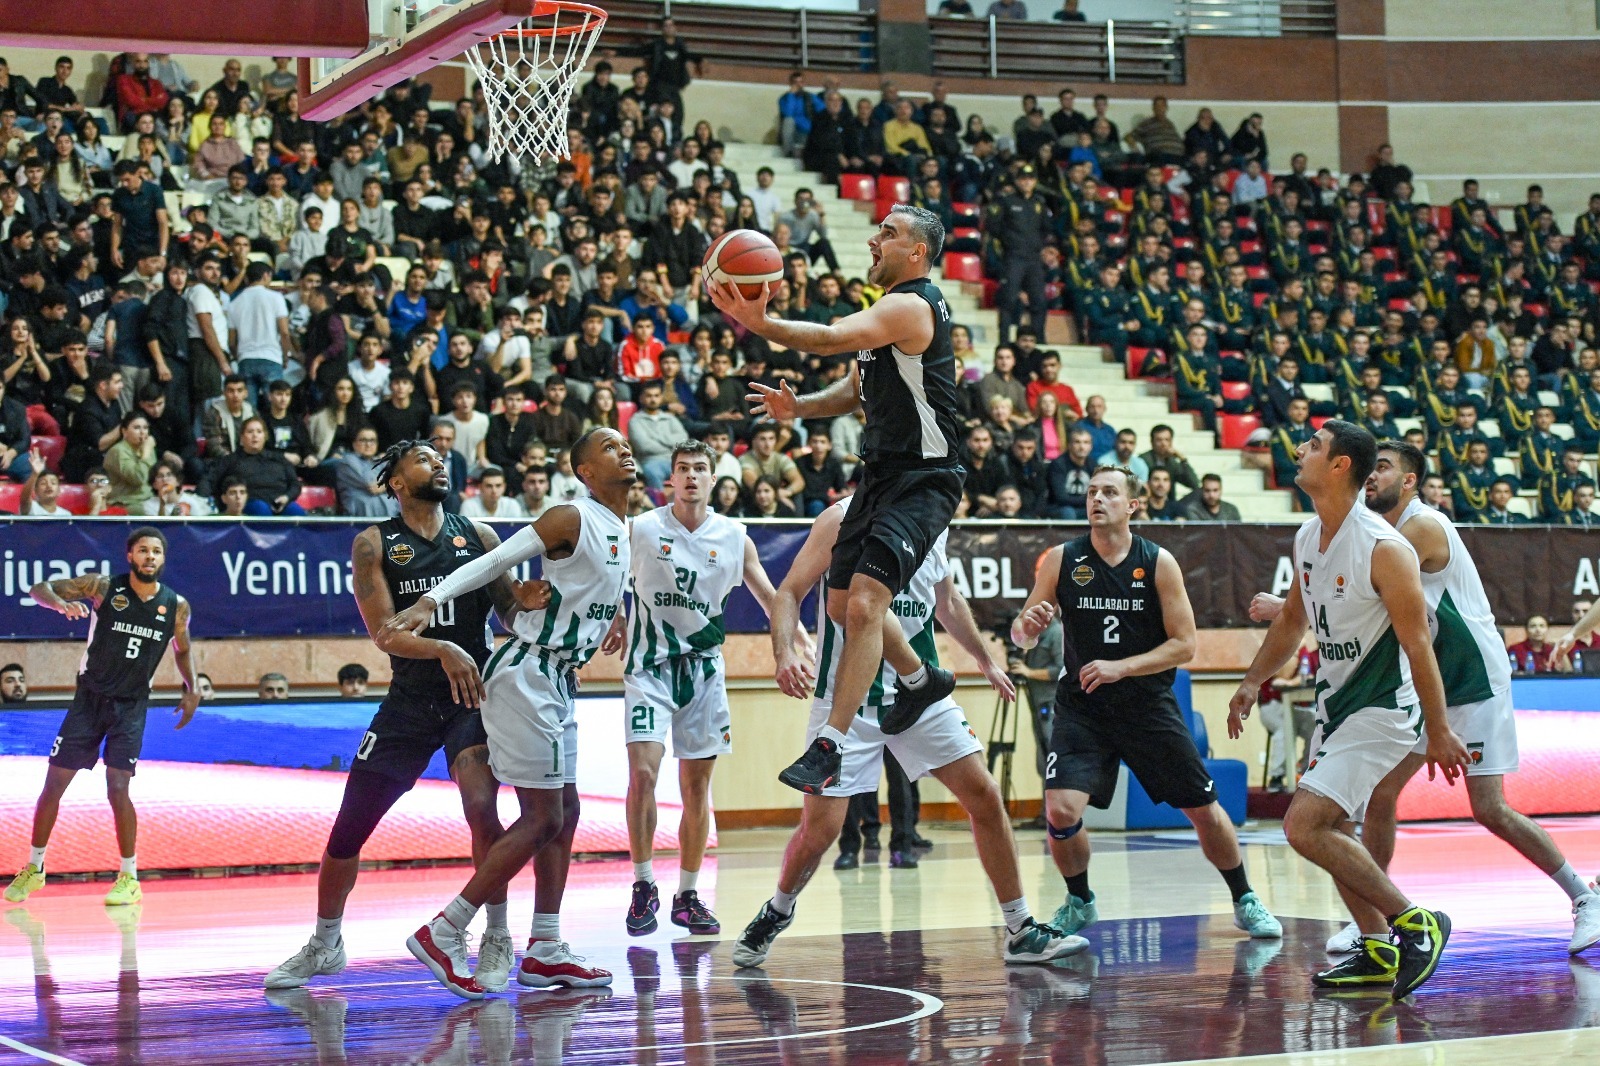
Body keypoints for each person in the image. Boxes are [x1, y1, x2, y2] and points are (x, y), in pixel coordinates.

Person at [1250, 440, 1600, 965]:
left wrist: (1288, 605)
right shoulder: (1360, 532)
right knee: (1382, 794)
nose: (1374, 477)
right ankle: (1379, 910)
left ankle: (1583, 896)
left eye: (1385, 469)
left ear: (1410, 482)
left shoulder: (1416, 528)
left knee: (1489, 808)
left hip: (1471, 677)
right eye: (1372, 468)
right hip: (1424, 680)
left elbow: (1357, 590)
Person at [731, 492, 1087, 969]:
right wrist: (784, 653)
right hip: (848, 703)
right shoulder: (840, 519)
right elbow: (790, 591)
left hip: (920, 693)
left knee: (984, 795)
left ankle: (1020, 927)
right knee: (821, 831)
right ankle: (777, 909)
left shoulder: (931, 515)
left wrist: (984, 659)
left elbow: (948, 601)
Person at [710, 204, 963, 795]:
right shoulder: (887, 317)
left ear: (917, 253)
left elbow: (828, 338)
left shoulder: (911, 304)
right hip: (880, 474)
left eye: (889, 234)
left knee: (869, 602)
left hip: (925, 477)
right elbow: (855, 389)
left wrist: (762, 322)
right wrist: (799, 408)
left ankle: (832, 743)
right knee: (845, 603)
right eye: (877, 230)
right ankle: (920, 678)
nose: (875, 240)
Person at [265, 439, 524, 991]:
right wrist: (441, 649)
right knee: (349, 829)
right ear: (398, 482)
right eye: (423, 459)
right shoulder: (373, 544)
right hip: (409, 702)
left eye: (440, 457)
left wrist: (540, 600)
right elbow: (385, 633)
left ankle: (497, 936)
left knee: (482, 810)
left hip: (471, 699)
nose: (438, 463)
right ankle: (325, 942)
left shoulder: (479, 538)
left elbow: (510, 611)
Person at [386, 427, 636, 998]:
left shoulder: (620, 527)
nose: (621, 447)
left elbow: (593, 585)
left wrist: (616, 612)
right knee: (544, 817)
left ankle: (544, 949)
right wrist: (430, 600)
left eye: (622, 442)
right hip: (529, 672)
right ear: (586, 472)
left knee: (565, 813)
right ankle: (445, 929)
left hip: (560, 676)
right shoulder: (570, 516)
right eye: (605, 445)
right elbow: (493, 558)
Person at [1228, 422, 1469, 1000]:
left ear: (1340, 466)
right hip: (1336, 707)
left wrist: (1437, 729)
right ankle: (1377, 946)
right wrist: (1251, 681)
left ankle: (1414, 922)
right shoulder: (1309, 536)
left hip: (1382, 708)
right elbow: (1291, 620)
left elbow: (1418, 646)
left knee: (1303, 826)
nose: (1300, 450)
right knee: (1334, 829)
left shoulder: (1386, 549)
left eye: (1312, 445)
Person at [1010, 466, 1282, 946]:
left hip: (1147, 705)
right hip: (1083, 706)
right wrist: (1027, 627)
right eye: (1092, 491)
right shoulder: (1061, 559)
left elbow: (1184, 645)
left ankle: (1244, 897)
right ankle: (1079, 900)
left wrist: (1123, 667)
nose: (1097, 499)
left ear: (1133, 505)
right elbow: (1022, 639)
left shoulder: (1158, 562)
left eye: (1110, 492)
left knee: (1203, 808)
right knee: (1061, 808)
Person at [620, 441, 804, 939]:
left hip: (703, 673)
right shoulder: (640, 528)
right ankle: (642, 884)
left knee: (696, 788)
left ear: (713, 477)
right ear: (671, 481)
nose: (692, 477)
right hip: (649, 668)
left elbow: (771, 598)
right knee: (643, 772)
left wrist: (793, 647)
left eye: (701, 469)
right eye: (683, 470)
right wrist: (616, 616)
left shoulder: (735, 536)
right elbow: (610, 579)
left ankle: (687, 893)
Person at [5, 528, 198, 906]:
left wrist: (192, 688)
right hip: (89, 699)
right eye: (143, 550)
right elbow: (39, 588)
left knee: (118, 788)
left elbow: (183, 648)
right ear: (130, 556)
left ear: (163, 559)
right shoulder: (103, 587)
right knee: (54, 785)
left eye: (156, 551)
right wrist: (59, 604)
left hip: (131, 705)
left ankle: (129, 876)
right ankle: (35, 867)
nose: (150, 556)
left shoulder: (176, 605)